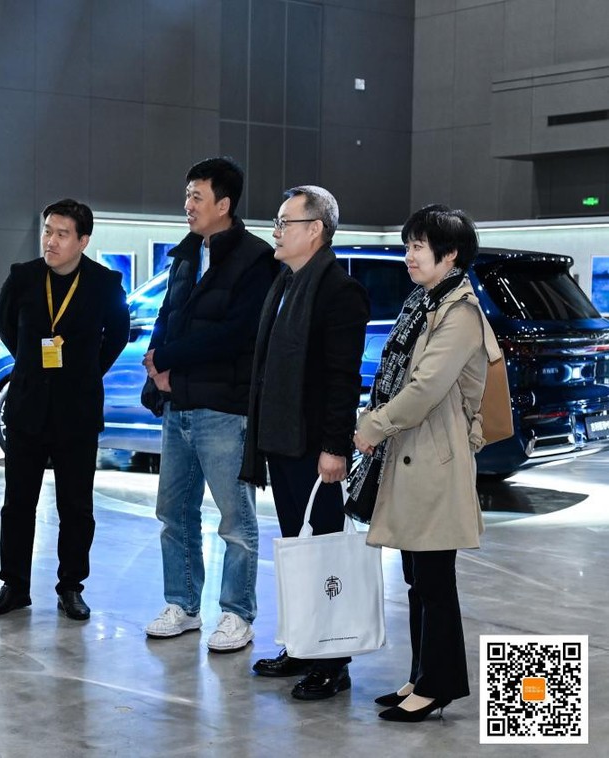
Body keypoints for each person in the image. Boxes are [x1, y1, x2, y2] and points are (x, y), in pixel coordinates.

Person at [352, 205, 491, 722]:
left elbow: (426, 388)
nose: (409, 255)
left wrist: (374, 425)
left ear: (449, 255)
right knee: (418, 578)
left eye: (418, 246)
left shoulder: (460, 314)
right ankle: (422, 674)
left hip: (434, 458)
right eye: (408, 245)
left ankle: (438, 684)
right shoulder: (425, 302)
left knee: (434, 580)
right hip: (413, 453)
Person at [140, 157, 278, 653]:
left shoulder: (256, 258)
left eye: (196, 196)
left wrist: (170, 357)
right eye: (187, 195)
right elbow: (167, 316)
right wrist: (155, 365)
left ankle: (237, 613)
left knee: (235, 520)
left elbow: (238, 332)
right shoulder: (184, 255)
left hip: (224, 407)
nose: (188, 205)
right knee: (173, 512)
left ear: (224, 204)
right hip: (178, 403)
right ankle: (182, 605)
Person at [241, 185, 370, 700]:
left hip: (316, 448)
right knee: (297, 550)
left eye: (284, 222)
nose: (276, 232)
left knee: (324, 556)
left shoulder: (339, 291)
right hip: (282, 441)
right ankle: (302, 644)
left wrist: (335, 448)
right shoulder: (285, 284)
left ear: (315, 229)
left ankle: (332, 660)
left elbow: (342, 379)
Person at [0, 198, 130, 621]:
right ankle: (14, 585)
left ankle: (71, 586)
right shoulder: (23, 277)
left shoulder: (104, 283)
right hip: (27, 407)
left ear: (83, 240)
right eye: (48, 231)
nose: (51, 241)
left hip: (77, 410)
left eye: (62, 234)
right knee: (17, 503)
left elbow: (117, 335)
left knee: (76, 506)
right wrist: (33, 365)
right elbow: (7, 328)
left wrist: (85, 371)